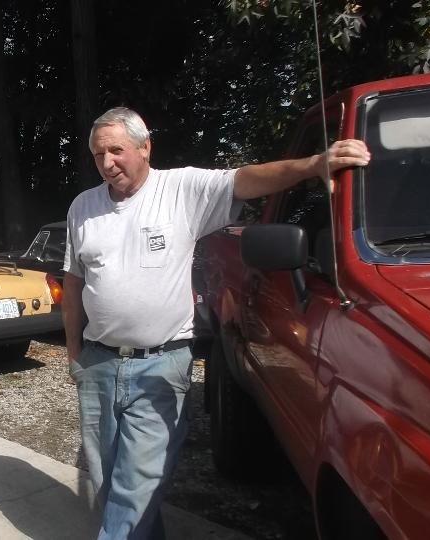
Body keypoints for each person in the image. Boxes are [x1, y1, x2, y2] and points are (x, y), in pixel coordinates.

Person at [63, 107, 370, 539]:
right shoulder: (83, 207)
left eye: (117, 150)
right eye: (99, 154)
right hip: (98, 363)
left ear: (145, 147)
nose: (107, 163)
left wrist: (313, 165)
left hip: (159, 364)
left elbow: (245, 179)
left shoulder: (181, 189)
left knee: (137, 487)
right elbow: (73, 285)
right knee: (108, 479)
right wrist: (75, 355)